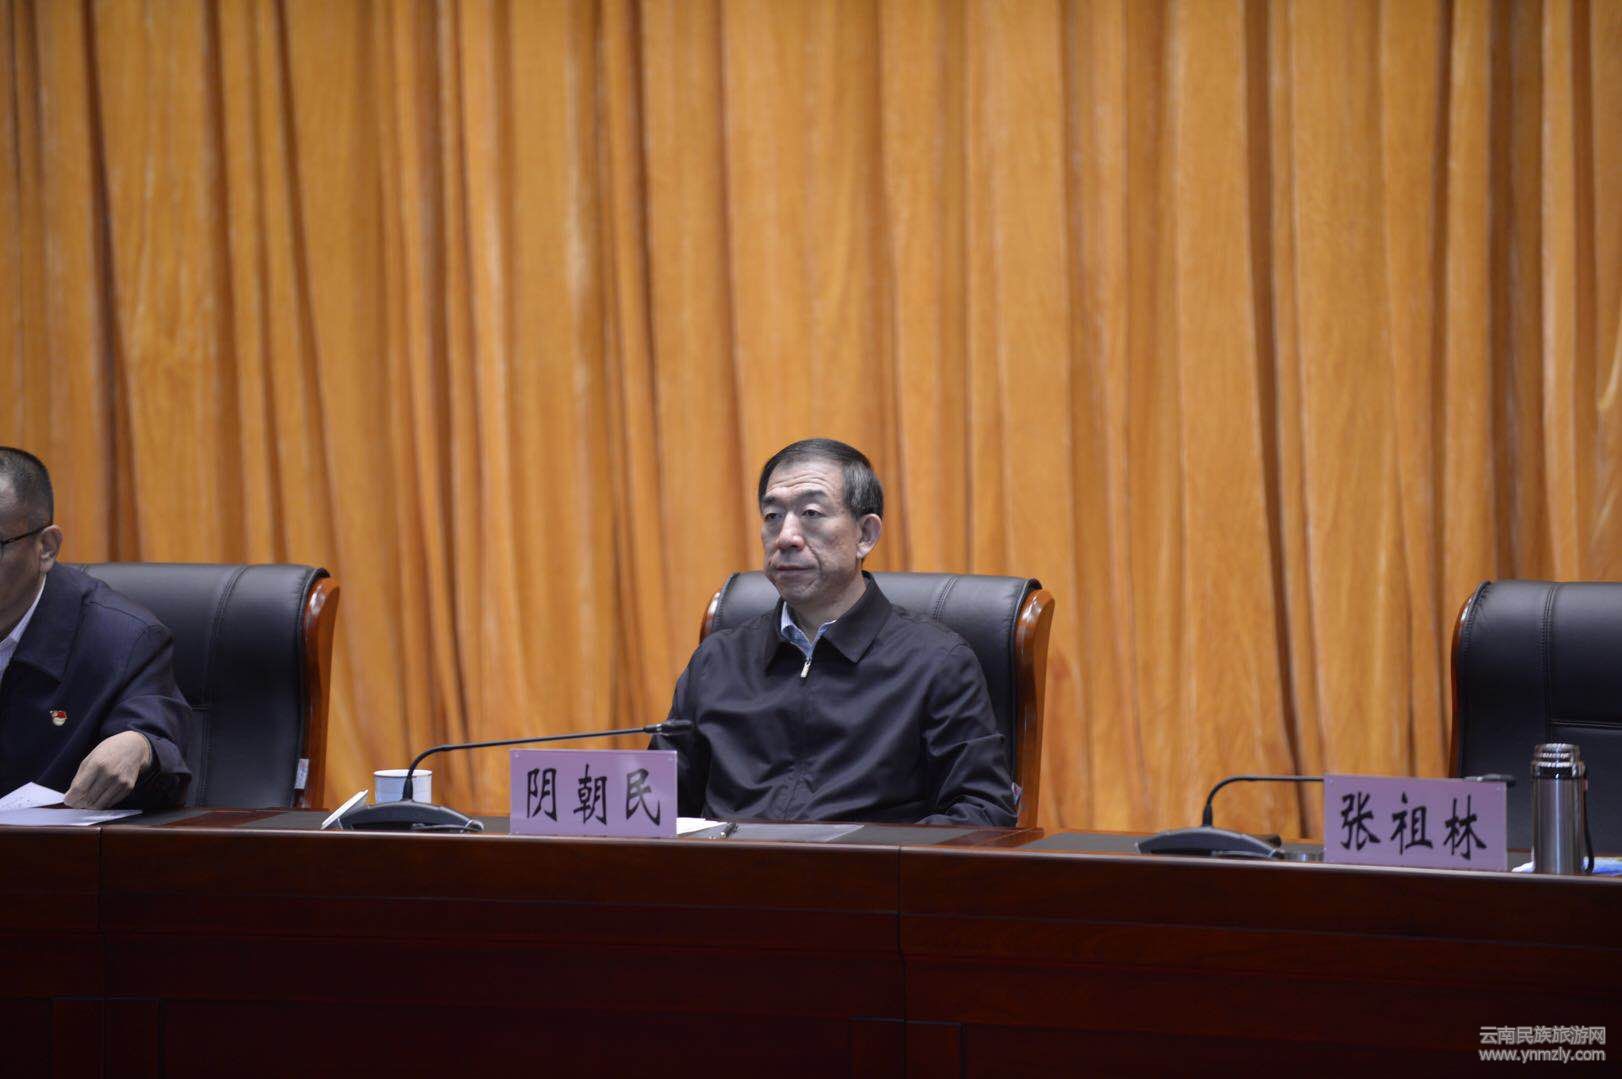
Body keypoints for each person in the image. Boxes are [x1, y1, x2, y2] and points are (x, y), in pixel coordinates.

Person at [652, 438, 1018, 826]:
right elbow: (650, 807)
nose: (786, 536)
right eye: (772, 516)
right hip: (729, 863)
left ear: (865, 535)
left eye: (811, 513)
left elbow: (983, 812)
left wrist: (872, 854)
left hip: (863, 864)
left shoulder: (935, 662)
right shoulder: (717, 660)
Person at [0, 447, 190, 809]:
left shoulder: (124, 640)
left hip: (55, 842)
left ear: (46, 547)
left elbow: (154, 739)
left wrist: (139, 747)